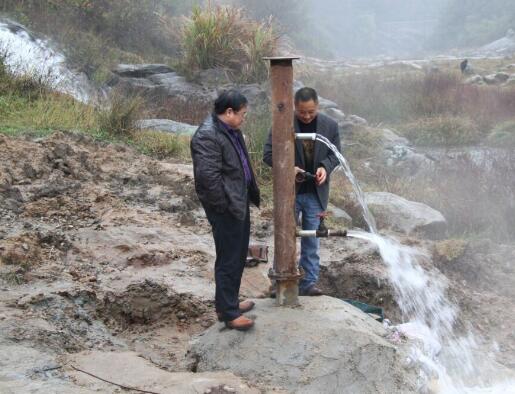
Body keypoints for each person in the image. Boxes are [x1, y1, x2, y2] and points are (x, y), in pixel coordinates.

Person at [191, 90, 260, 331]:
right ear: (228, 112)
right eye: (242, 114)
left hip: (237, 202)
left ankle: (229, 303)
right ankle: (228, 313)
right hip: (227, 208)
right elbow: (208, 180)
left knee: (238, 255)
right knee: (228, 258)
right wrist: (224, 208)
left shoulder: (230, 131)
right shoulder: (207, 136)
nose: (243, 118)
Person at [263, 87, 341, 296]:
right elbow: (268, 154)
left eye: (311, 112)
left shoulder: (330, 125)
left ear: (318, 106)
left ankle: (308, 284)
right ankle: (278, 283)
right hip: (290, 193)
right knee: (284, 238)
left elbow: (336, 154)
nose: (306, 116)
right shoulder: (283, 124)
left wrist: (325, 166)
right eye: (302, 112)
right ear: (294, 107)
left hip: (316, 193)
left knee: (312, 240)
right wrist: (288, 168)